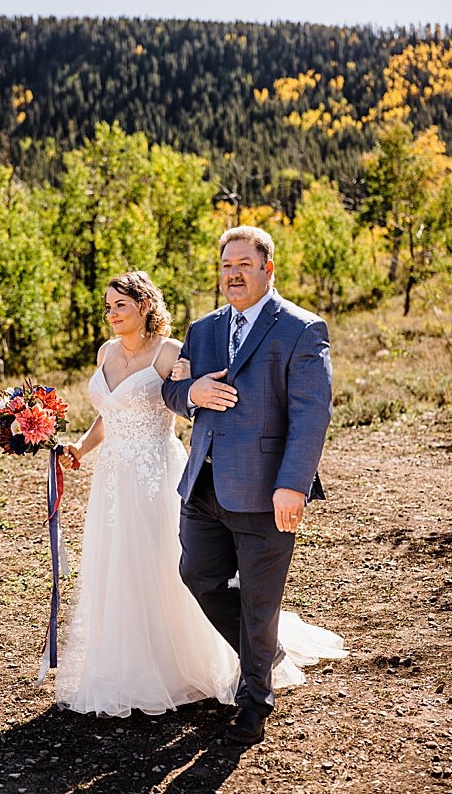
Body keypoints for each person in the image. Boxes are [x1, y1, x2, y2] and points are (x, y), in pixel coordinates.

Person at [58, 268, 342, 730]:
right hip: (113, 478)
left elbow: (184, 401)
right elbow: (111, 414)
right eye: (107, 306)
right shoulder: (105, 351)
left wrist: (193, 390)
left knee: (174, 568)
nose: (111, 314)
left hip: (158, 472)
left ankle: (209, 659)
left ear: (144, 305)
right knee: (119, 568)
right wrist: (81, 449)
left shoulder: (172, 349)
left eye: (120, 305)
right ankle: (128, 660)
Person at [160, 228, 344, 744]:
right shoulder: (203, 330)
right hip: (203, 485)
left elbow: (312, 415)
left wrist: (294, 485)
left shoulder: (303, 330)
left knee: (260, 601)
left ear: (268, 270)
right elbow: (173, 390)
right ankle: (265, 650)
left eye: (244, 263)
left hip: (267, 492)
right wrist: (190, 392)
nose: (233, 273)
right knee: (197, 575)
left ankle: (254, 701)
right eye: (226, 265)